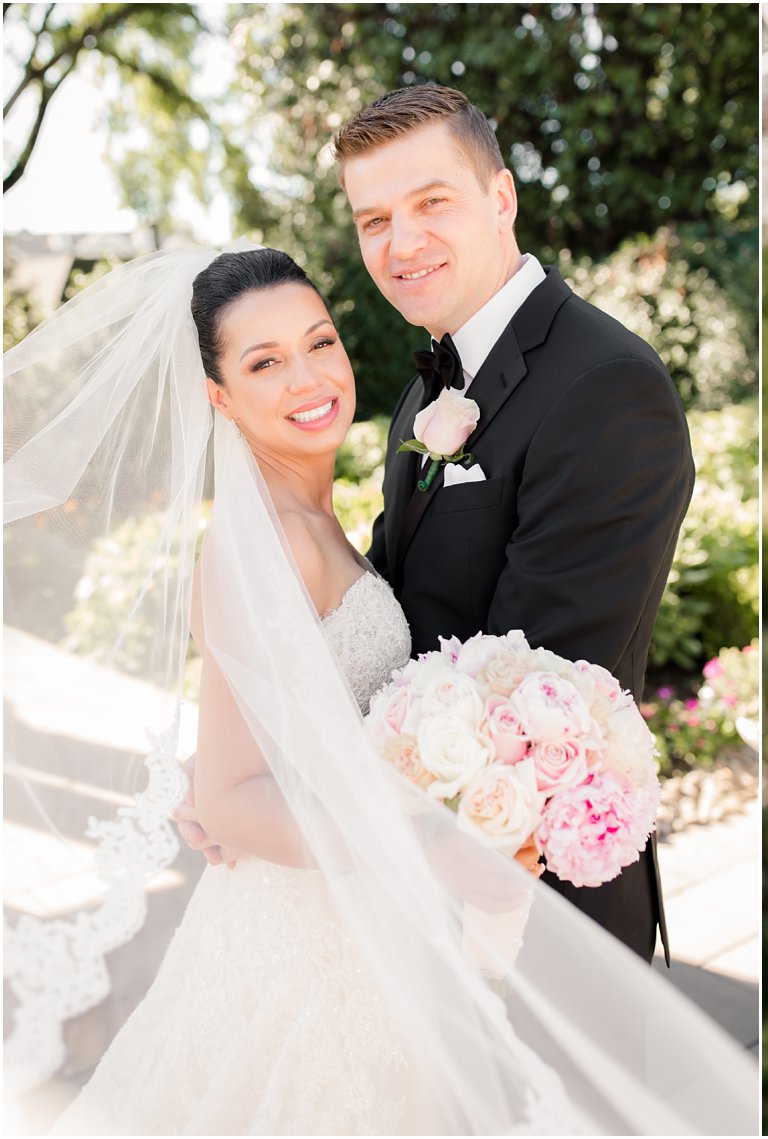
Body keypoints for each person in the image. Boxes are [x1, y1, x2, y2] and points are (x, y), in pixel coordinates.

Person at [2, 246, 753, 1134]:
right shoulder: (263, 541)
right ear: (218, 395)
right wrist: (428, 838)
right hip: (306, 950)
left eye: (319, 342)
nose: (309, 376)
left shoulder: (324, 516)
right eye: (264, 362)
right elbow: (231, 801)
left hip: (373, 931)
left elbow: (292, 716)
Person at [176, 84, 692, 963]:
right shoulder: (427, 392)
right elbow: (383, 620)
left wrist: (263, 799)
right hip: (411, 908)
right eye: (373, 219)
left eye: (431, 203)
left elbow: (538, 697)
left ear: (501, 199)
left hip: (535, 917)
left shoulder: (606, 387)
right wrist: (244, 781)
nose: (401, 242)